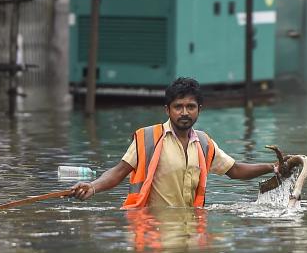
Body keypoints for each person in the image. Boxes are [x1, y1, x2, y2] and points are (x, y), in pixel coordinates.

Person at [69, 77, 281, 209]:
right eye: (178, 106)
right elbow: (118, 172)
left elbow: (234, 170)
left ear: (199, 109)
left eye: (191, 106)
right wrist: (92, 187)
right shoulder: (149, 138)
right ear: (167, 110)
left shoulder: (204, 144)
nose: (184, 112)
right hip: (151, 226)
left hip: (191, 227)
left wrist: (273, 167)